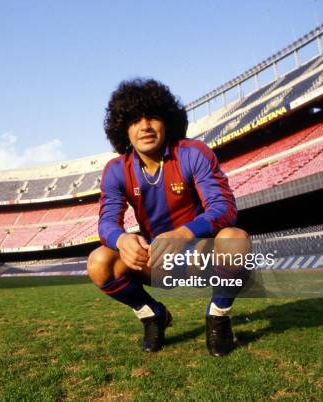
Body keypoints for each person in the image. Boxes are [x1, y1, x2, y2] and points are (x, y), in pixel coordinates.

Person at [87, 78, 250, 356]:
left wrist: (183, 233)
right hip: (156, 260)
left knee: (236, 240)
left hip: (200, 258)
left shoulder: (192, 153)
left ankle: (218, 317)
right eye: (134, 120)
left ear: (167, 121)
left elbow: (224, 207)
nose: (145, 126)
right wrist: (122, 239)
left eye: (152, 117)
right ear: (123, 129)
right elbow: (106, 222)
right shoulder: (116, 170)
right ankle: (153, 315)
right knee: (99, 261)